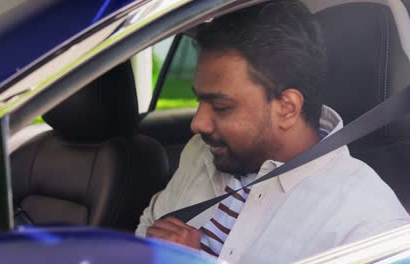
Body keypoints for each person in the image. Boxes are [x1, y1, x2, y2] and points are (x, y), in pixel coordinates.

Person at [135, 1, 409, 263]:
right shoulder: (201, 150)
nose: (199, 124)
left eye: (220, 106)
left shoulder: (369, 224)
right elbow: (149, 227)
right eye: (199, 101)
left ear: (287, 108)